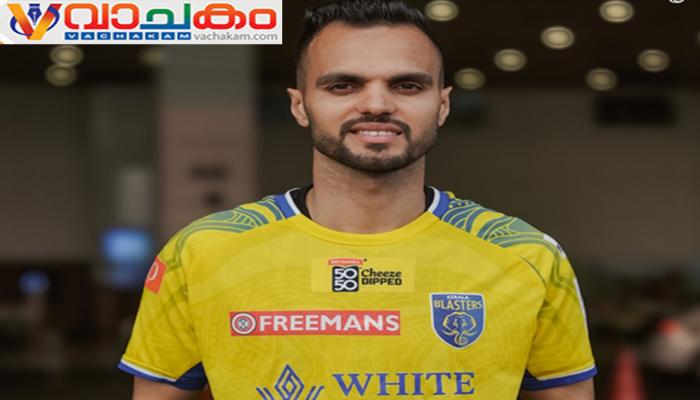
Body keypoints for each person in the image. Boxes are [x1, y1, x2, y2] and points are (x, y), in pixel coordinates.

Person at [118, 0, 596, 398]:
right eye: (343, 85)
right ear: (300, 105)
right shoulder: (201, 252)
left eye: (407, 85)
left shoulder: (527, 255)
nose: (377, 104)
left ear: (443, 104)